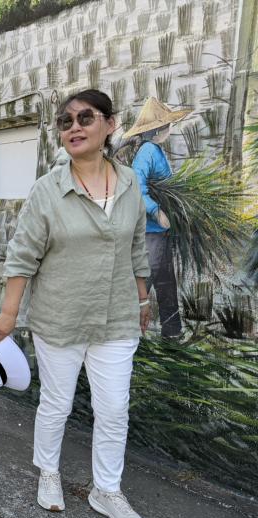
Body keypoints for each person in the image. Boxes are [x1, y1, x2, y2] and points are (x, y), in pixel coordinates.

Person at [0, 89, 151, 518]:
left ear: (109, 124)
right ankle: (48, 472)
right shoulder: (48, 191)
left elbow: (137, 245)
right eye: (65, 121)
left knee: (114, 409)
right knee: (57, 403)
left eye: (85, 117)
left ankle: (107, 490)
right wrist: (9, 314)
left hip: (116, 316)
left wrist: (142, 297)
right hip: (60, 317)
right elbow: (22, 256)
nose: (74, 127)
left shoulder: (130, 183)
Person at [123, 97, 190, 339]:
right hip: (151, 233)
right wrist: (157, 211)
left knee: (166, 284)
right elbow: (137, 190)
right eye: (168, 125)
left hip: (161, 234)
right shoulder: (146, 152)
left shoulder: (156, 150)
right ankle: (123, 335)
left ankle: (172, 332)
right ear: (159, 129)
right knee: (144, 282)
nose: (170, 129)